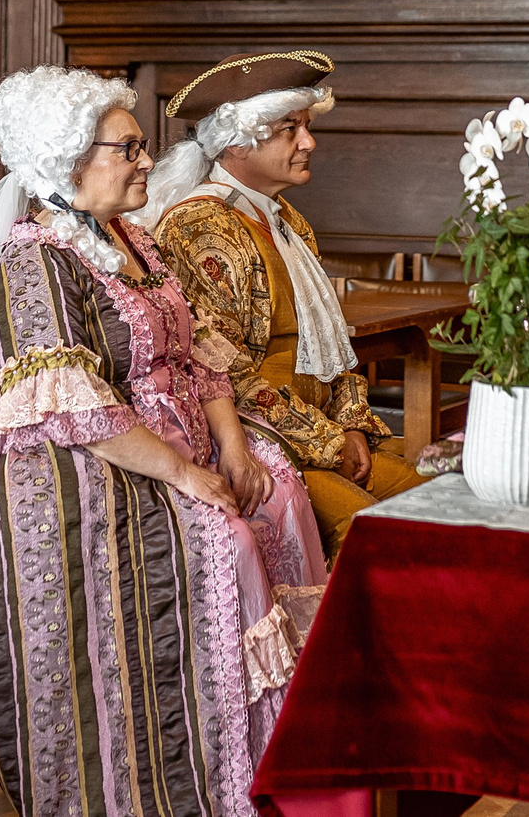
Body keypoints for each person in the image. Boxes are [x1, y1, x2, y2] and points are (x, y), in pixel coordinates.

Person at [0, 66, 324, 817]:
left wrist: (234, 452)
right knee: (222, 533)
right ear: (71, 159)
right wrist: (184, 472)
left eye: (141, 146)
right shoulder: (32, 260)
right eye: (129, 147)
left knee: (279, 490)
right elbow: (68, 398)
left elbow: (200, 355)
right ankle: (216, 765)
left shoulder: (134, 240)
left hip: (177, 433)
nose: (148, 159)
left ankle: (286, 742)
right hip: (79, 454)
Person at [144, 51, 422, 553]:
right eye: (290, 129)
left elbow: (335, 343)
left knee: (431, 504)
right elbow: (223, 374)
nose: (309, 142)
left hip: (322, 434)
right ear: (238, 142)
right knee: (374, 534)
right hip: (262, 442)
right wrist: (331, 442)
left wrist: (351, 424)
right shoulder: (200, 227)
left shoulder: (289, 222)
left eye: (307, 127)